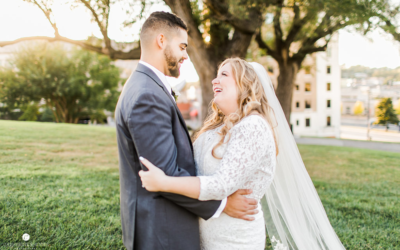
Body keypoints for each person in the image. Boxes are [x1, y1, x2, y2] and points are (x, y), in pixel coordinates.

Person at [140, 58, 347, 250]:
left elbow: (220, 185)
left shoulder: (253, 126)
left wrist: (164, 183)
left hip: (234, 240)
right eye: (217, 74)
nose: (214, 80)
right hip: (205, 234)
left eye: (224, 75)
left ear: (246, 84)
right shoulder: (215, 127)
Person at [114, 12, 258, 250]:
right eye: (182, 47)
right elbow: (164, 174)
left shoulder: (145, 86)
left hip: (159, 226)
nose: (185, 55)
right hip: (163, 230)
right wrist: (221, 205)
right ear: (161, 41)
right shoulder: (147, 95)